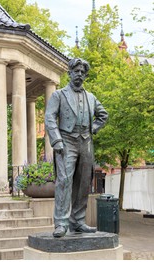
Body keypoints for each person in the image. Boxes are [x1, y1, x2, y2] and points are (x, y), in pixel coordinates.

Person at [45, 58, 108, 238]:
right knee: (64, 181)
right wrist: (56, 140)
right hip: (66, 142)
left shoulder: (91, 97)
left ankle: (78, 221)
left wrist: (92, 129)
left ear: (85, 75)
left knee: (83, 183)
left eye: (82, 72)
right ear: (70, 73)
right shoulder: (59, 95)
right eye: (76, 71)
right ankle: (61, 223)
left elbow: (103, 115)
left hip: (86, 142)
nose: (79, 74)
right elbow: (50, 118)